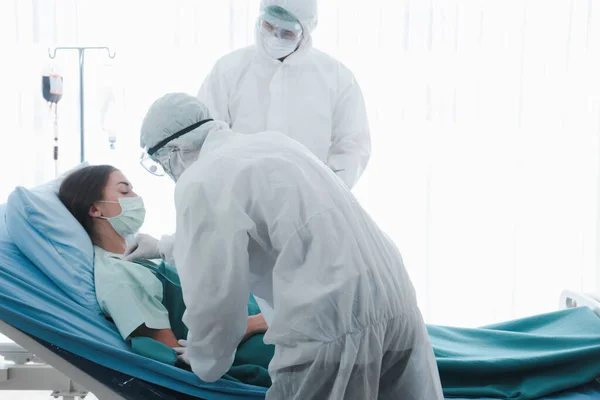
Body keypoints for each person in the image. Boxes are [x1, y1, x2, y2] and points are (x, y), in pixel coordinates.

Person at [133, 92, 443, 399]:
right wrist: (164, 246)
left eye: (161, 164)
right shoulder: (272, 144)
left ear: (172, 151)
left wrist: (204, 359)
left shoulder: (199, 180)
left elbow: (213, 293)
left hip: (328, 322)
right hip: (394, 299)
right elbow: (262, 230)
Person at [57, 165, 275, 387]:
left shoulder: (143, 257)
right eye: (124, 192)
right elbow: (175, 356)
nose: (136, 197)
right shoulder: (118, 277)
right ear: (96, 210)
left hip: (270, 322)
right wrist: (259, 321)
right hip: (261, 348)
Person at [197, 0, 371, 191]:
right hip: (238, 196)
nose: (274, 37)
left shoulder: (336, 77)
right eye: (268, 26)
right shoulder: (228, 70)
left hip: (308, 200)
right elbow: (207, 134)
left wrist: (326, 190)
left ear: (304, 33)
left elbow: (353, 144)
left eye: (287, 33)